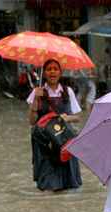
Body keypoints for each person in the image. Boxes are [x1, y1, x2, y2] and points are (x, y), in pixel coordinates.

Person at [27, 58, 83, 191]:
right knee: (48, 187)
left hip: (64, 141)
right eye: (49, 69)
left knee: (68, 185)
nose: (52, 72)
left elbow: (78, 117)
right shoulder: (37, 92)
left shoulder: (67, 91)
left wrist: (67, 118)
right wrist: (36, 99)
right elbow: (32, 121)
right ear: (44, 73)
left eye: (55, 69)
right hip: (45, 143)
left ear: (60, 72)